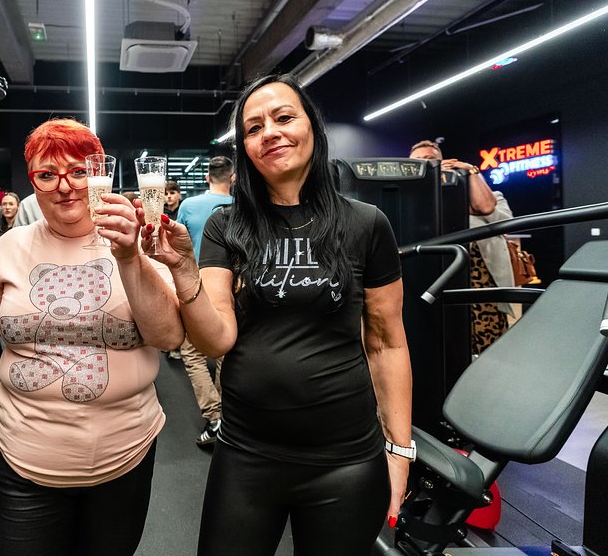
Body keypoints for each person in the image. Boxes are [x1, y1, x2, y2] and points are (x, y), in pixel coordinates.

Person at [142, 73, 413, 555]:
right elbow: (215, 340)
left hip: (346, 459)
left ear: (312, 128)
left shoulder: (366, 223)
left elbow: (387, 342)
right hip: (247, 453)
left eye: (284, 117)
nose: (269, 132)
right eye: (253, 128)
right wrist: (184, 270)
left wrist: (399, 450)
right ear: (245, 149)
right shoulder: (226, 225)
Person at [0, 118, 185, 556]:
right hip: (26, 463)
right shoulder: (10, 246)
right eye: (48, 174)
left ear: (98, 175)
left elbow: (167, 336)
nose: (64, 187)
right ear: (33, 183)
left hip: (126, 457)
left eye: (78, 172)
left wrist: (129, 258)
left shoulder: (134, 239)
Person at [409, 140, 516, 355]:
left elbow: (486, 208)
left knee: (488, 342)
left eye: (431, 160)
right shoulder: (412, 200)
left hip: (479, 280)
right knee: (443, 338)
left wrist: (470, 170)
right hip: (434, 277)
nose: (426, 165)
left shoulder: (487, 194)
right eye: (419, 161)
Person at [174, 156, 235, 446]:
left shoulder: (188, 205)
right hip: (230, 285)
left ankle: (214, 417)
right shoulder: (241, 207)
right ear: (232, 178)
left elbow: (176, 244)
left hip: (197, 285)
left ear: (207, 177)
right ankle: (227, 414)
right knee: (226, 351)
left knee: (192, 352)